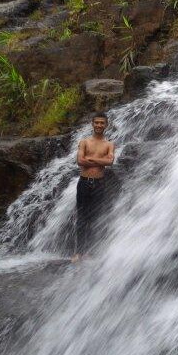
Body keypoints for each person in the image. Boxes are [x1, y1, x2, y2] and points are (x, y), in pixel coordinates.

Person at [73, 112, 115, 261]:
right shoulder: (84, 142)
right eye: (96, 122)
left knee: (94, 218)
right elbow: (80, 161)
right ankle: (78, 252)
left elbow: (110, 162)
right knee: (81, 217)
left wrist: (90, 158)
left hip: (99, 184)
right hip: (84, 182)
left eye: (102, 123)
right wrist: (100, 160)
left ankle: (90, 252)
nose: (99, 125)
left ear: (106, 125)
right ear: (92, 124)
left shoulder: (109, 144)